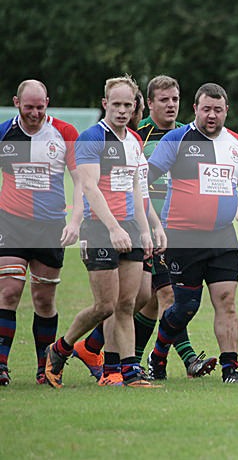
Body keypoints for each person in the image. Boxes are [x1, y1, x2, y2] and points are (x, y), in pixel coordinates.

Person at [45, 75, 161, 388]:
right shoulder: (91, 138)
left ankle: (128, 373)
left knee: (127, 304)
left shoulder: (134, 140)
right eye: (116, 104)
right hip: (99, 228)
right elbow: (89, 187)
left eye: (128, 105)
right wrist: (113, 228)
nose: (122, 111)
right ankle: (61, 348)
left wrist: (144, 230)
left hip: (129, 227)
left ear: (134, 107)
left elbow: (136, 188)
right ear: (105, 104)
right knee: (105, 306)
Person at [146, 82, 238, 384]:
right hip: (181, 236)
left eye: (218, 110)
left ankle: (230, 369)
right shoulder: (176, 139)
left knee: (227, 301)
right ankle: (158, 355)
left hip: (222, 237)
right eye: (206, 109)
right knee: (186, 306)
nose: (212, 115)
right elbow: (143, 180)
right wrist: (149, 224)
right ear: (195, 108)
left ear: (227, 111)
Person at [0, 80, 81, 386]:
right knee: (9, 291)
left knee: (44, 300)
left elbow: (82, 181)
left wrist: (75, 222)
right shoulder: (4, 133)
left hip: (50, 227)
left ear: (47, 102)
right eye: (28, 107)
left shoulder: (65, 133)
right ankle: (1, 365)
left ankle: (43, 368)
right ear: (16, 103)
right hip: (11, 223)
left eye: (40, 107)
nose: (34, 113)